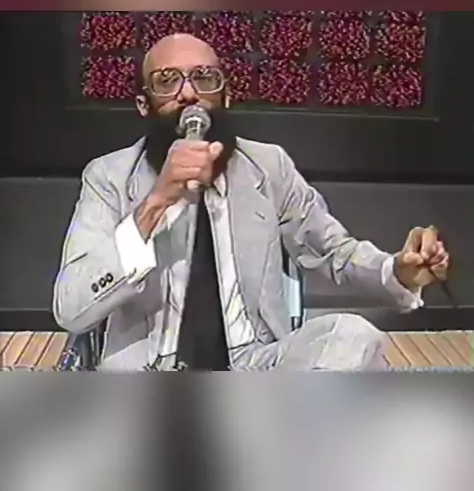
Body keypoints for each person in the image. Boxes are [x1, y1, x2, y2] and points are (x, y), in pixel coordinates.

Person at [53, 33, 449, 371]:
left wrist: (397, 270)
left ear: (225, 96)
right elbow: (71, 308)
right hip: (150, 376)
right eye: (167, 80)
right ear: (144, 105)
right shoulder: (108, 176)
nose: (189, 93)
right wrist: (157, 201)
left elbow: (333, 253)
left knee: (352, 337)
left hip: (255, 369)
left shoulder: (269, 166)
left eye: (203, 77)